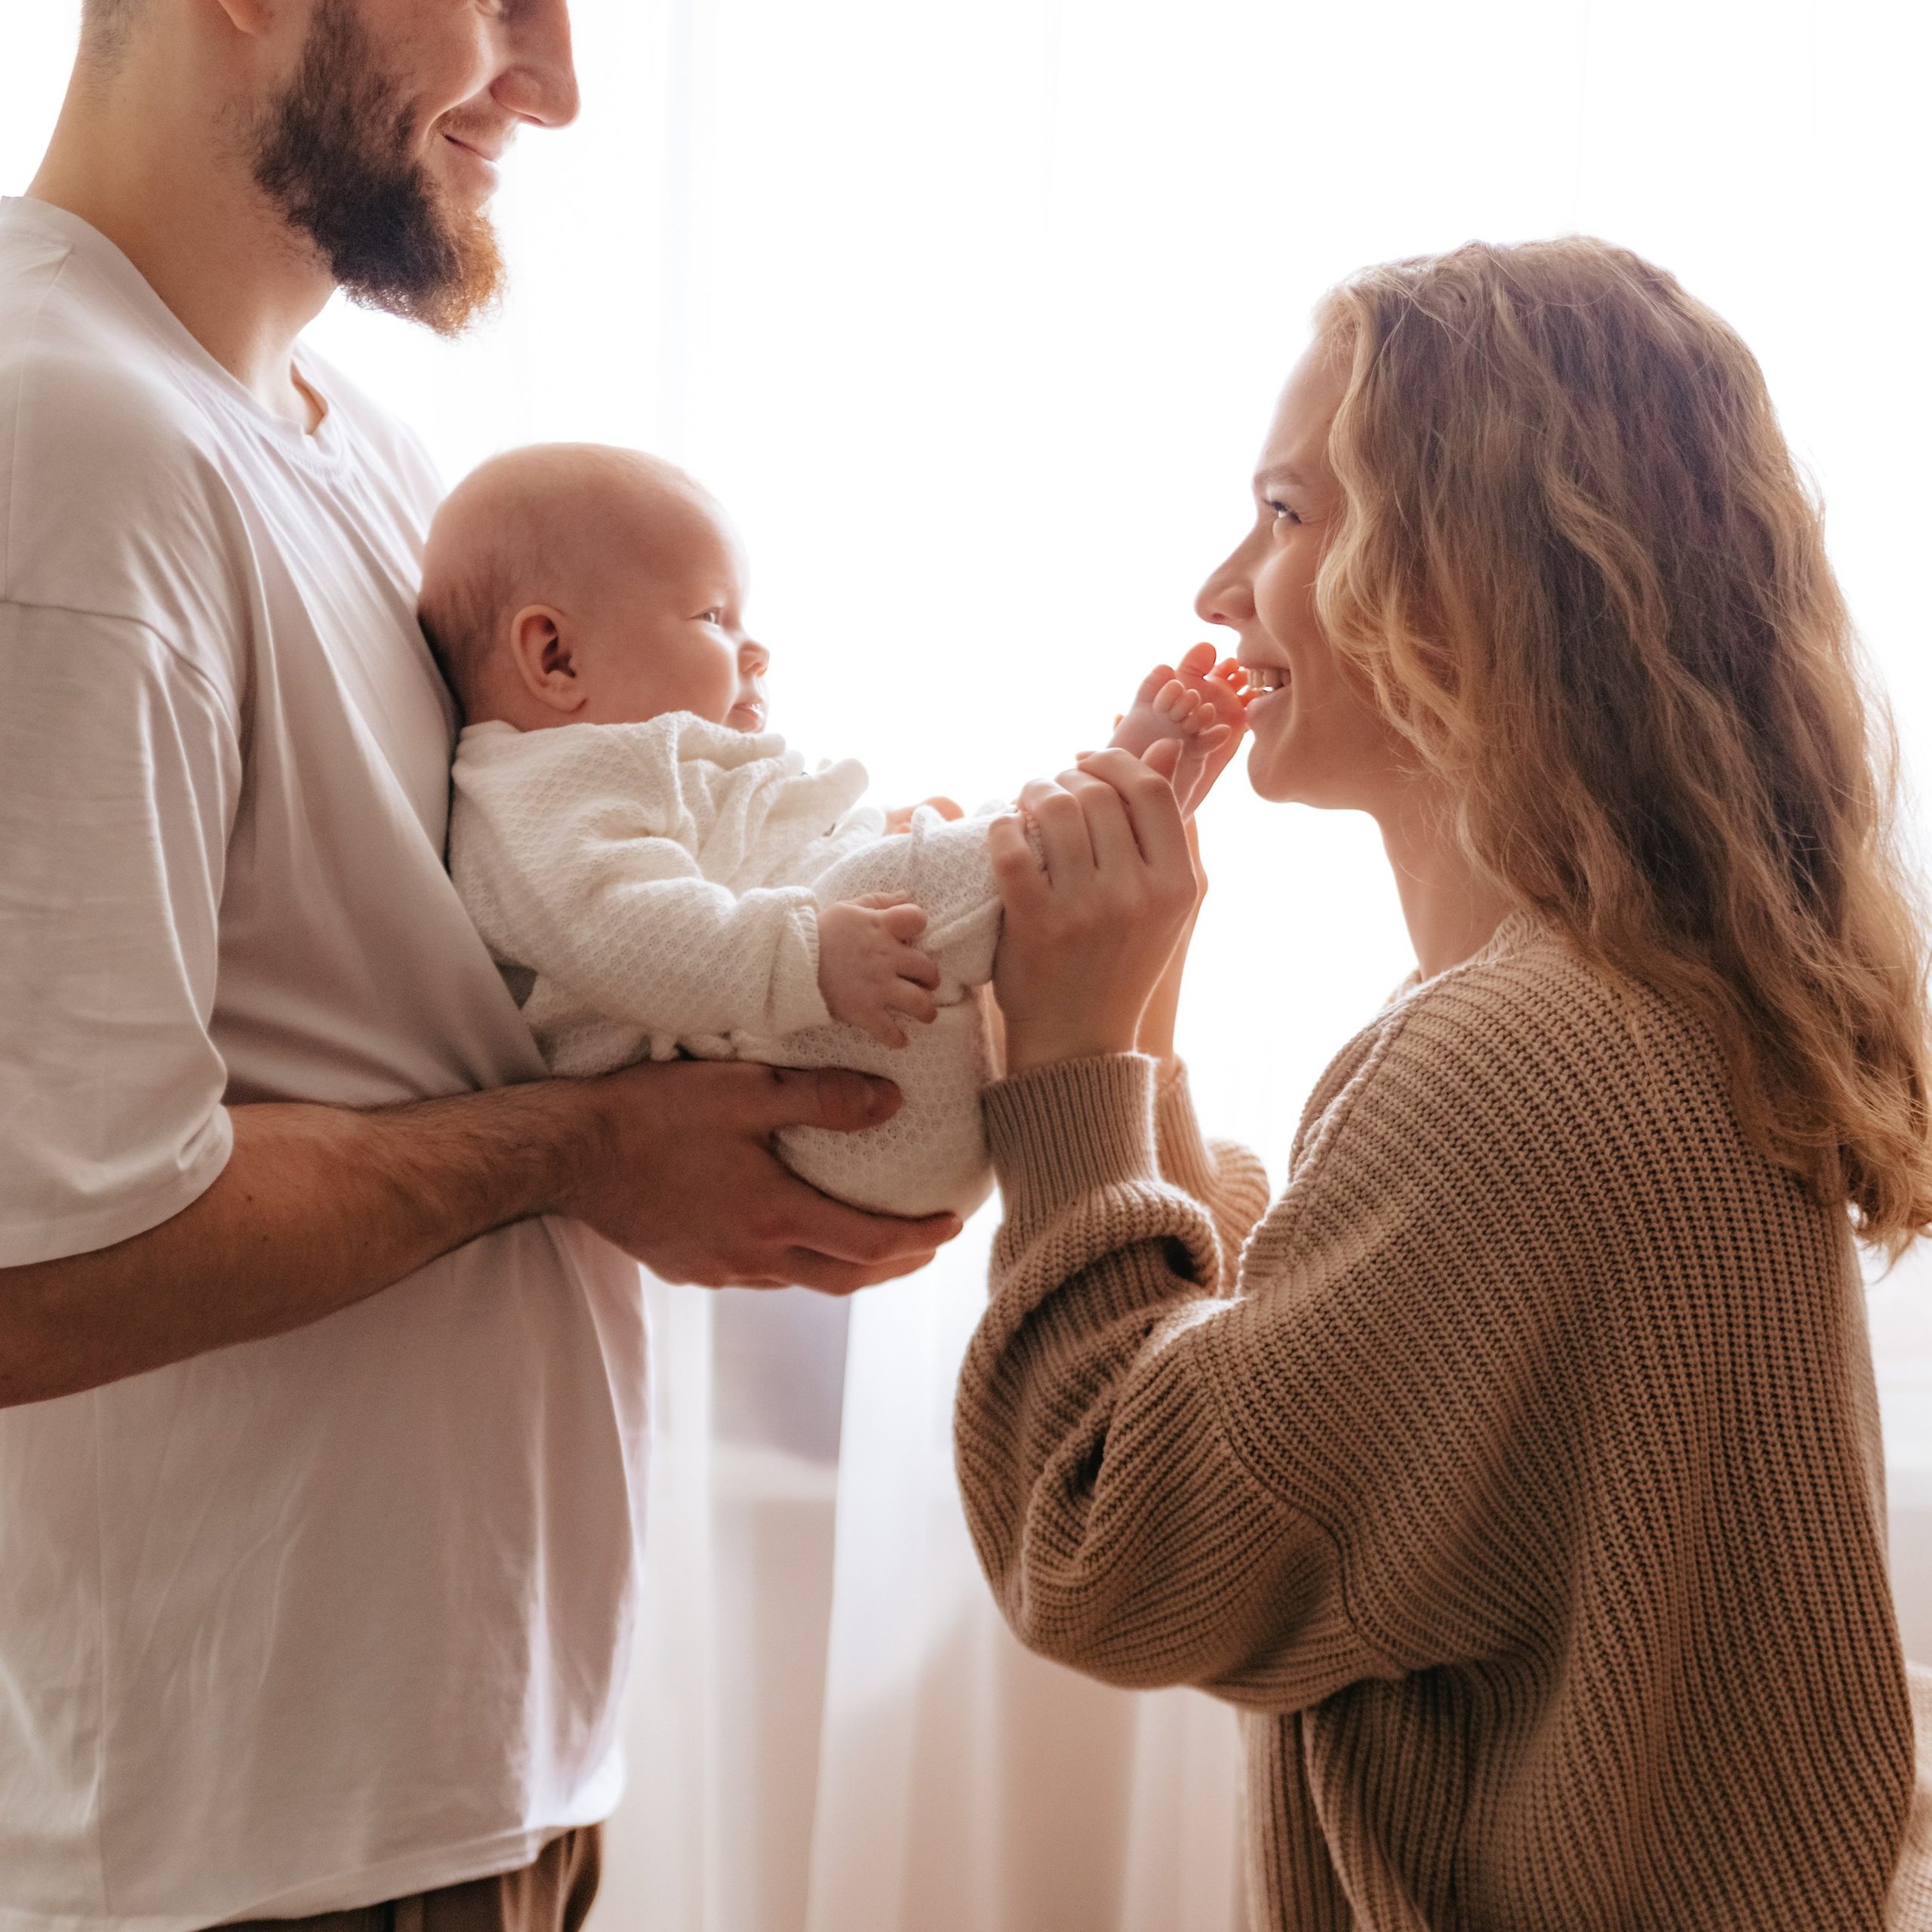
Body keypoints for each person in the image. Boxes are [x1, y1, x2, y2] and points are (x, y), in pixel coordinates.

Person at [0, 2, 956, 1927]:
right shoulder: (65, 455)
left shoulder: (360, 454)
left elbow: (459, 1001)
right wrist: (587, 1150)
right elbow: (37, 1267)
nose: (558, 81)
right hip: (246, 1849)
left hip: (472, 1778)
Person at [955, 237, 1932, 1928]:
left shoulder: (1522, 1064)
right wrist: (1136, 1020)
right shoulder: (1621, 1006)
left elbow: (1111, 1544)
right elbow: (1303, 1383)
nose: (1214, 586)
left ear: (1461, 571)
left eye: (1281, 514)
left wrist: (1069, 1071)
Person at [423, 441, 1244, 1217]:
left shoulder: (671, 767)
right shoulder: (532, 793)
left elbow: (763, 862)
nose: (758, 650)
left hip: (859, 1070)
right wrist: (809, 954)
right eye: (714, 616)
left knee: (891, 858)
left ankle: (1097, 821)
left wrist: (853, 842)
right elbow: (618, 928)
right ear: (556, 657)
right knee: (875, 890)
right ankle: (1087, 822)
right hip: (802, 1119)